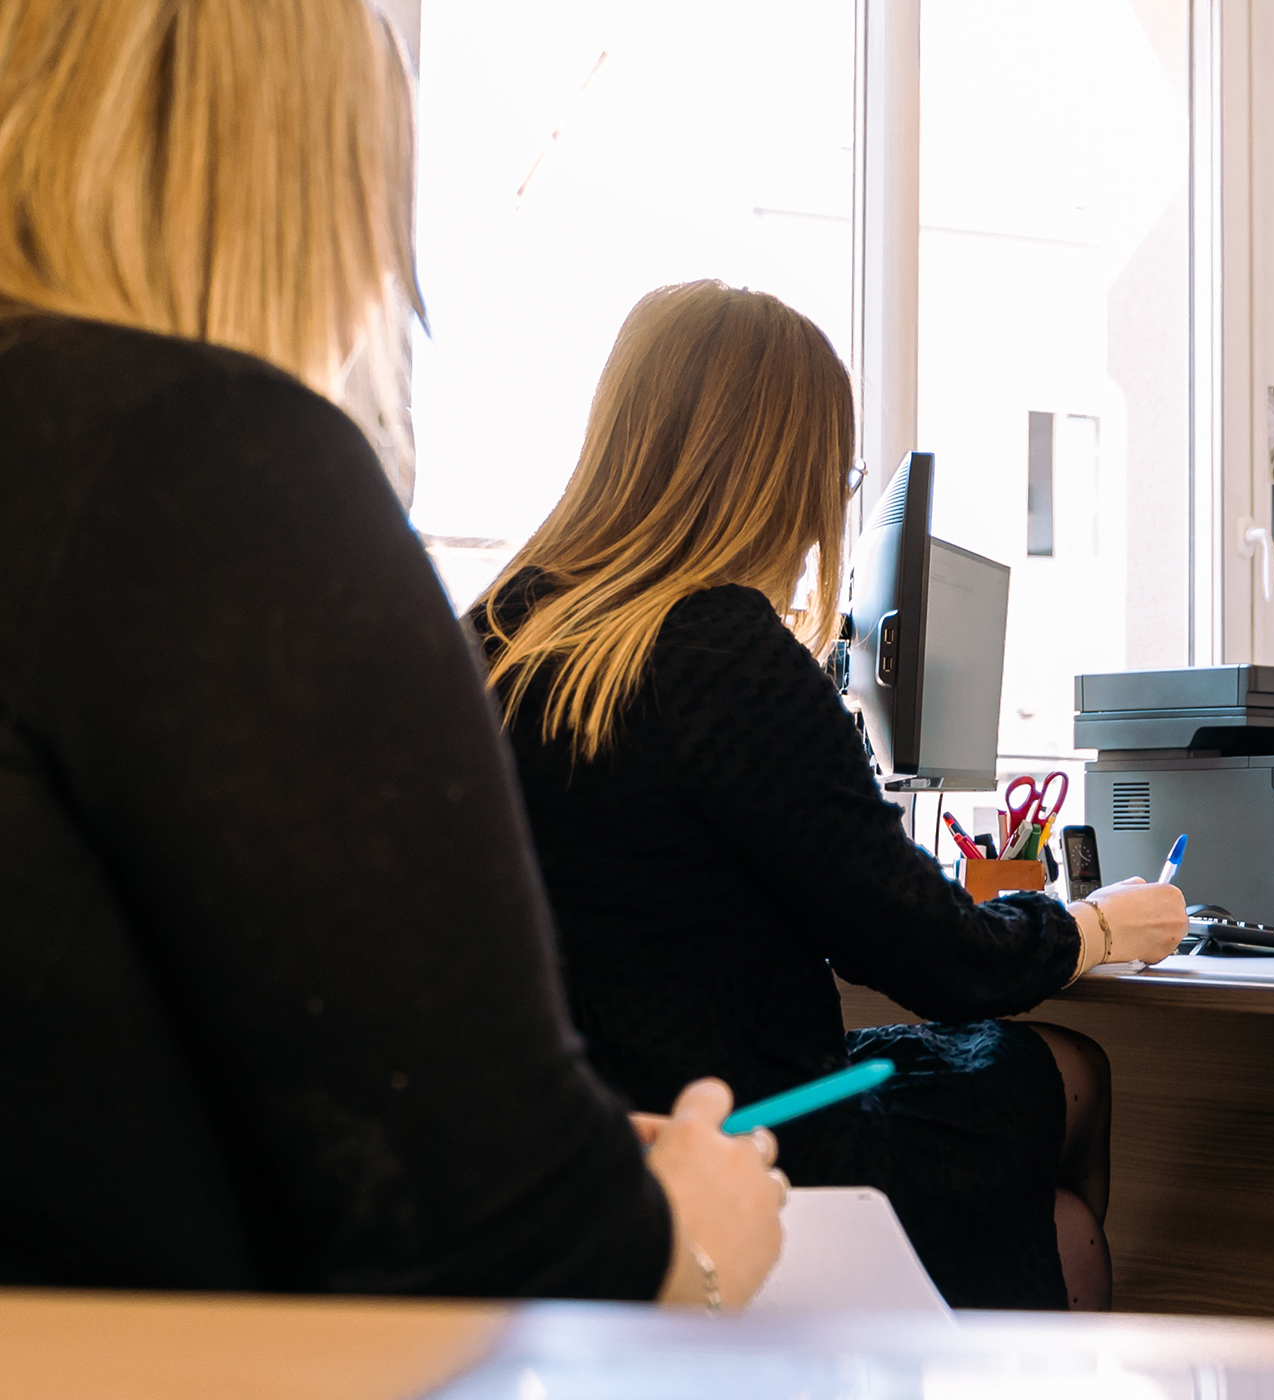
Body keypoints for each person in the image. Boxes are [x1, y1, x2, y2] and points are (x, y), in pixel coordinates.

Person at [0, 0, 781, 1305]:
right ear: (302, 162)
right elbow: (497, 1233)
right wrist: (683, 1225)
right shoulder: (201, 466)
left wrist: (552, 1148)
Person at [470, 281, 1190, 1312]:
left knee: (1048, 1090)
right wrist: (1093, 926)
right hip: (750, 1133)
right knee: (1061, 1089)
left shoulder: (489, 634)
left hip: (570, 1149)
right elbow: (929, 956)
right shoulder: (717, 646)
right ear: (782, 473)